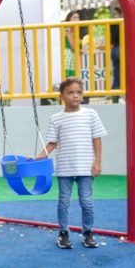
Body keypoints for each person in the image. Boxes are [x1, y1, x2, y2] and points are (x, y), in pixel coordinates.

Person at [35, 77, 107, 250]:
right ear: (62, 96)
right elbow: (52, 143)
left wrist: (97, 162)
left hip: (86, 167)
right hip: (65, 167)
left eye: (79, 92)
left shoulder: (91, 114)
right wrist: (38, 157)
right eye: (71, 92)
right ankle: (63, 233)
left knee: (87, 201)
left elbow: (96, 139)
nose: (75, 96)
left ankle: (88, 233)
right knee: (64, 202)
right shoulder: (56, 118)